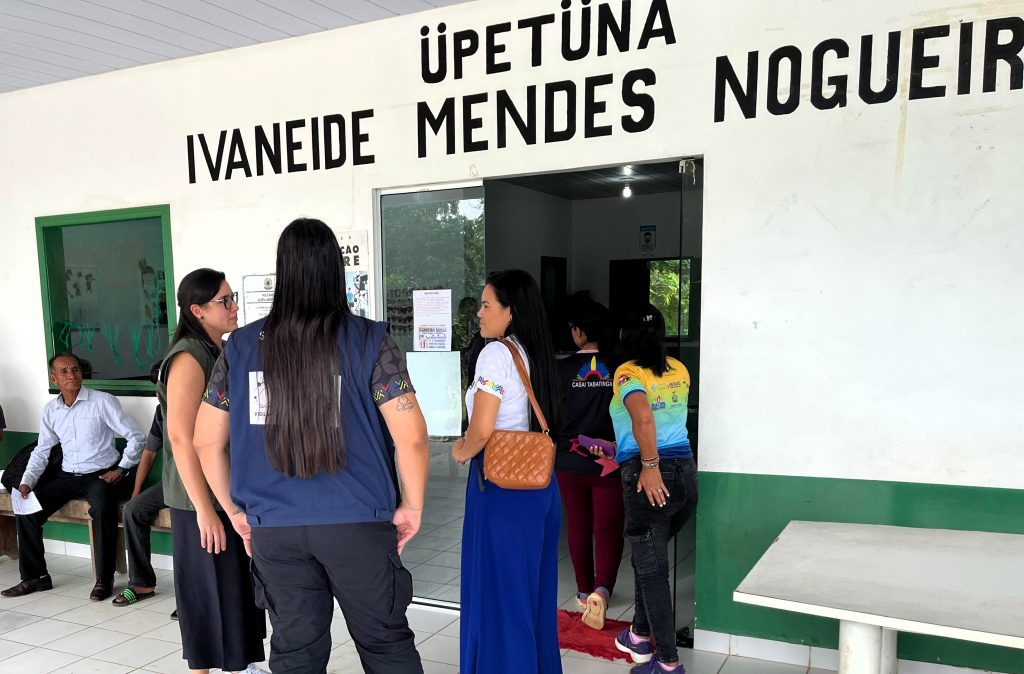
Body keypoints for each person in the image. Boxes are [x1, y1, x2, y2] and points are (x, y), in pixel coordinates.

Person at [193, 218, 430, 674]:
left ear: (283, 271)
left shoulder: (240, 346)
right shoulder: (369, 340)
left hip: (274, 529)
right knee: (386, 646)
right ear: (334, 271)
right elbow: (412, 436)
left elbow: (206, 440)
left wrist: (236, 513)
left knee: (296, 652)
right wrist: (412, 506)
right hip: (357, 522)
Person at [451, 269, 563, 674]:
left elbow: (481, 430)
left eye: (486, 305)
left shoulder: (496, 354)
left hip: (501, 487)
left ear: (510, 312)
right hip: (541, 487)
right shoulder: (535, 353)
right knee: (531, 596)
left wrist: (460, 451)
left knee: (499, 596)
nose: (478, 314)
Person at [158, 268, 265, 674]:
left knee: (235, 590)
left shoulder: (219, 349)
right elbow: (182, 439)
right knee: (208, 595)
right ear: (197, 310)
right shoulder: (189, 356)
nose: (234, 306)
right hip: (200, 500)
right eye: (225, 300)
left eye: (233, 297)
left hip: (227, 491)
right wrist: (205, 510)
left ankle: (241, 665)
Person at [2, 353, 144, 601]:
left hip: (101, 475)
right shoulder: (51, 410)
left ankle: (104, 578)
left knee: (102, 509)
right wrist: (27, 482)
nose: (72, 375)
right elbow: (42, 451)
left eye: (76, 370)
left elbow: (136, 437)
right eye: (64, 371)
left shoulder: (102, 402)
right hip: (67, 475)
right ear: (53, 377)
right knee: (26, 508)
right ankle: (36, 577)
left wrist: (121, 469)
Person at [610, 305, 698, 674]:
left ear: (623, 336)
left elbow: (643, 416)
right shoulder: (678, 368)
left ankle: (667, 663)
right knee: (648, 557)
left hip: (651, 478)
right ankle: (641, 633)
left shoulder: (627, 373)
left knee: (652, 571)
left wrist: (648, 466)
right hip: (685, 477)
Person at [554, 298, 624, 630]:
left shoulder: (562, 369)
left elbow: (553, 415)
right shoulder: (620, 366)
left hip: (569, 461)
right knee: (607, 528)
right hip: (610, 461)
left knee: (579, 526)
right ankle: (602, 590)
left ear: (580, 332)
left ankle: (583, 593)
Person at [111, 405, 166, 606]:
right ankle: (141, 583)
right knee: (133, 510)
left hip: (208, 482)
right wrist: (136, 492)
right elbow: (150, 452)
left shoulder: (207, 402)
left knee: (188, 516)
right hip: (174, 482)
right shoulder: (162, 410)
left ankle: (196, 595)